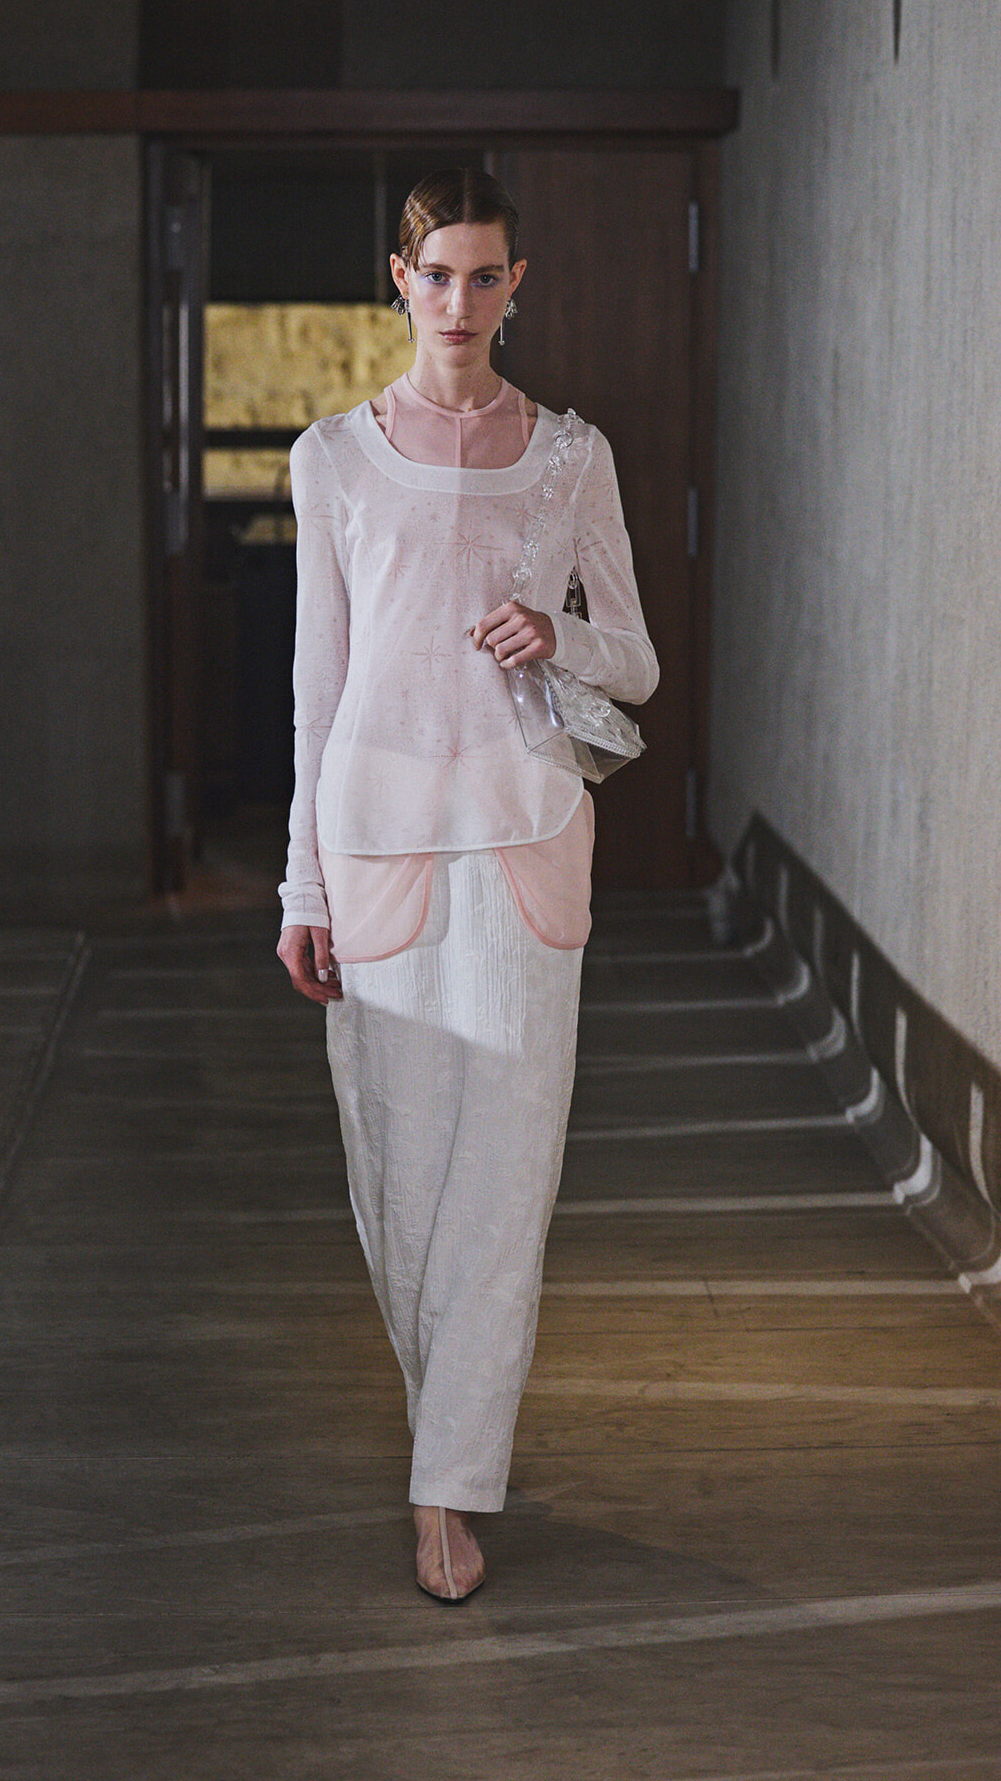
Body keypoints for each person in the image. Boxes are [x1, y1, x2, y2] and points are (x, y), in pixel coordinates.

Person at [277, 168, 658, 1603]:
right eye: (437, 274)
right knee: (400, 1182)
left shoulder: (571, 456)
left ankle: (447, 1492)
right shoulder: (332, 459)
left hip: (522, 844)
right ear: (399, 278)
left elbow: (634, 656)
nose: (459, 301)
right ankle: (451, 1444)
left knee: (503, 1182)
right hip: (374, 853)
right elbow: (316, 692)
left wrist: (551, 638)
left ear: (517, 285)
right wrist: (296, 890)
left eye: (484, 276)